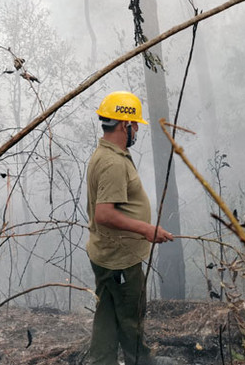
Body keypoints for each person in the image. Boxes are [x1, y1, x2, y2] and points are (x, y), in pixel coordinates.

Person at [86, 91, 175, 365]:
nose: (136, 130)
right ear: (125, 124)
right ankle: (140, 361)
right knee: (130, 315)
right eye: (135, 125)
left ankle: (101, 360)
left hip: (107, 253)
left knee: (107, 312)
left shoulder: (108, 154)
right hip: (120, 259)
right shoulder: (113, 163)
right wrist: (146, 229)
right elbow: (104, 214)